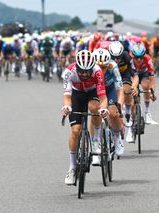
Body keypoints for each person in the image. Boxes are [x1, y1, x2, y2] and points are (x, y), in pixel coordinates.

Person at [61, 50, 109, 185]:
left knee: (95, 108)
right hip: (76, 95)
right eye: (81, 71)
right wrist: (66, 107)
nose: (84, 74)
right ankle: (72, 167)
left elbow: (103, 97)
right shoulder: (69, 72)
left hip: (92, 92)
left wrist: (104, 108)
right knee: (75, 131)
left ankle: (96, 140)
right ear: (77, 67)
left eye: (87, 72)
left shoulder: (98, 72)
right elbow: (67, 96)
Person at [93, 48, 125, 157]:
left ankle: (117, 137)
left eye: (104, 67)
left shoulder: (113, 66)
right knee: (94, 113)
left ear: (108, 65)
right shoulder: (90, 68)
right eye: (99, 67)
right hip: (96, 90)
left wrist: (119, 105)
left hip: (110, 89)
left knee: (113, 113)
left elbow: (120, 88)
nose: (101, 70)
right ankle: (95, 142)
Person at [108, 41, 139, 143]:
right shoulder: (106, 58)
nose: (117, 60)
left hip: (124, 76)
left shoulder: (127, 57)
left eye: (119, 57)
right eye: (114, 57)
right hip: (111, 78)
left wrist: (134, 86)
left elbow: (135, 75)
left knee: (126, 89)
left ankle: (128, 117)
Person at [130, 43, 157, 124]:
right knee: (131, 95)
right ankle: (131, 117)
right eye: (137, 57)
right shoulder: (129, 60)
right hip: (133, 75)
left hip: (143, 73)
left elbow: (152, 80)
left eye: (141, 57)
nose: (139, 60)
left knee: (146, 86)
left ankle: (147, 111)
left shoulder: (148, 60)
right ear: (133, 56)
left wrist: (152, 92)